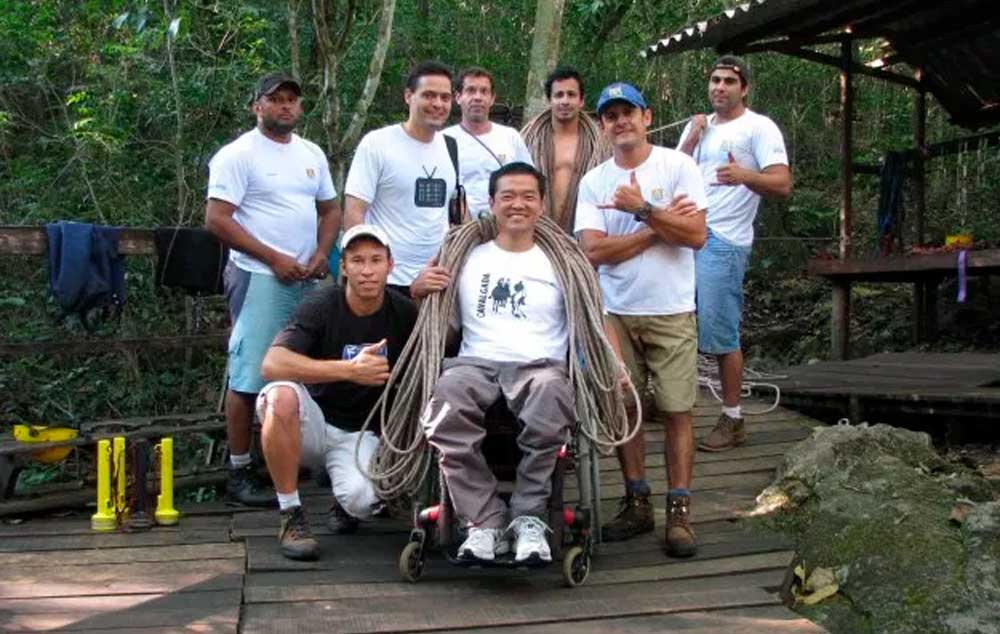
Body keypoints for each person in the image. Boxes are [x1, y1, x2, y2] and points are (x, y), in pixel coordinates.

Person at [414, 162, 596, 564]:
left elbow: (591, 323)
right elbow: (439, 327)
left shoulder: (562, 262)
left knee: (551, 395)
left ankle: (529, 518)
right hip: (475, 364)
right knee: (445, 407)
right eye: (508, 196)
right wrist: (418, 291)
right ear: (492, 203)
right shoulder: (466, 256)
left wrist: (613, 367)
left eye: (528, 196)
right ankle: (485, 521)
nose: (518, 204)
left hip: (540, 365)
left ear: (542, 205)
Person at [575, 82, 708, 557]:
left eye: (627, 112)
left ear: (647, 116)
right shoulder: (594, 182)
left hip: (672, 309)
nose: (620, 121)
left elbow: (695, 235)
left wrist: (643, 210)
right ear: (602, 125)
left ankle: (679, 512)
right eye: (610, 115)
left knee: (677, 410)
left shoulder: (679, 166)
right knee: (625, 410)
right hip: (615, 313)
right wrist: (657, 227)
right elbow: (592, 252)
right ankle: (636, 501)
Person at [205, 72, 339, 507]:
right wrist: (272, 258)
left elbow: (330, 208)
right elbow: (217, 219)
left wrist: (322, 252)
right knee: (250, 372)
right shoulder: (238, 155)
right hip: (260, 275)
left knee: (311, 367)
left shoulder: (311, 153)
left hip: (307, 275)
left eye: (291, 101)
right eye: (275, 99)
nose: (285, 107)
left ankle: (303, 460)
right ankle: (240, 469)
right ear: (256, 105)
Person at [255, 225, 419, 560]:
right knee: (280, 395)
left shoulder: (404, 313)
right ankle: (291, 513)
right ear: (343, 267)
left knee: (362, 500)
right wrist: (348, 370)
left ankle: (344, 499)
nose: (367, 270)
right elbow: (271, 363)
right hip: (312, 425)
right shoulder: (322, 304)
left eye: (376, 260)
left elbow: (434, 359)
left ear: (391, 265)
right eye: (357, 260)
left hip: (360, 433)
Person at [677, 56, 792, 452]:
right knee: (670, 322)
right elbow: (674, 176)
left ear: (744, 88)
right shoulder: (700, 128)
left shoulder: (759, 127)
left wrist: (745, 176)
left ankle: (732, 417)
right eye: (714, 80)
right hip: (683, 236)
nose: (719, 87)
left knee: (720, 334)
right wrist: (691, 139)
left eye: (728, 81)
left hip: (723, 240)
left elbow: (782, 184)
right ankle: (664, 403)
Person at [343, 61, 458, 298]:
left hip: (436, 279)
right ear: (409, 96)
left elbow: (454, 212)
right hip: (387, 282)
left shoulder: (450, 146)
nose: (438, 104)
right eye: (429, 95)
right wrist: (365, 276)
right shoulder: (378, 144)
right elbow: (354, 215)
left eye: (445, 98)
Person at [521, 66, 610, 233]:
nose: (565, 101)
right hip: (537, 231)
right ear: (549, 101)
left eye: (571, 94)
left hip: (582, 230)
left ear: (581, 101)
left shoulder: (600, 146)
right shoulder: (528, 141)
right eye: (558, 95)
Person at [444, 67, 534, 219]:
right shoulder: (444, 140)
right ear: (458, 97)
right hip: (460, 227)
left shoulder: (510, 137)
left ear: (492, 98)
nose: (478, 97)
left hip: (506, 224)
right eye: (471, 91)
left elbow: (530, 182)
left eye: (484, 91)